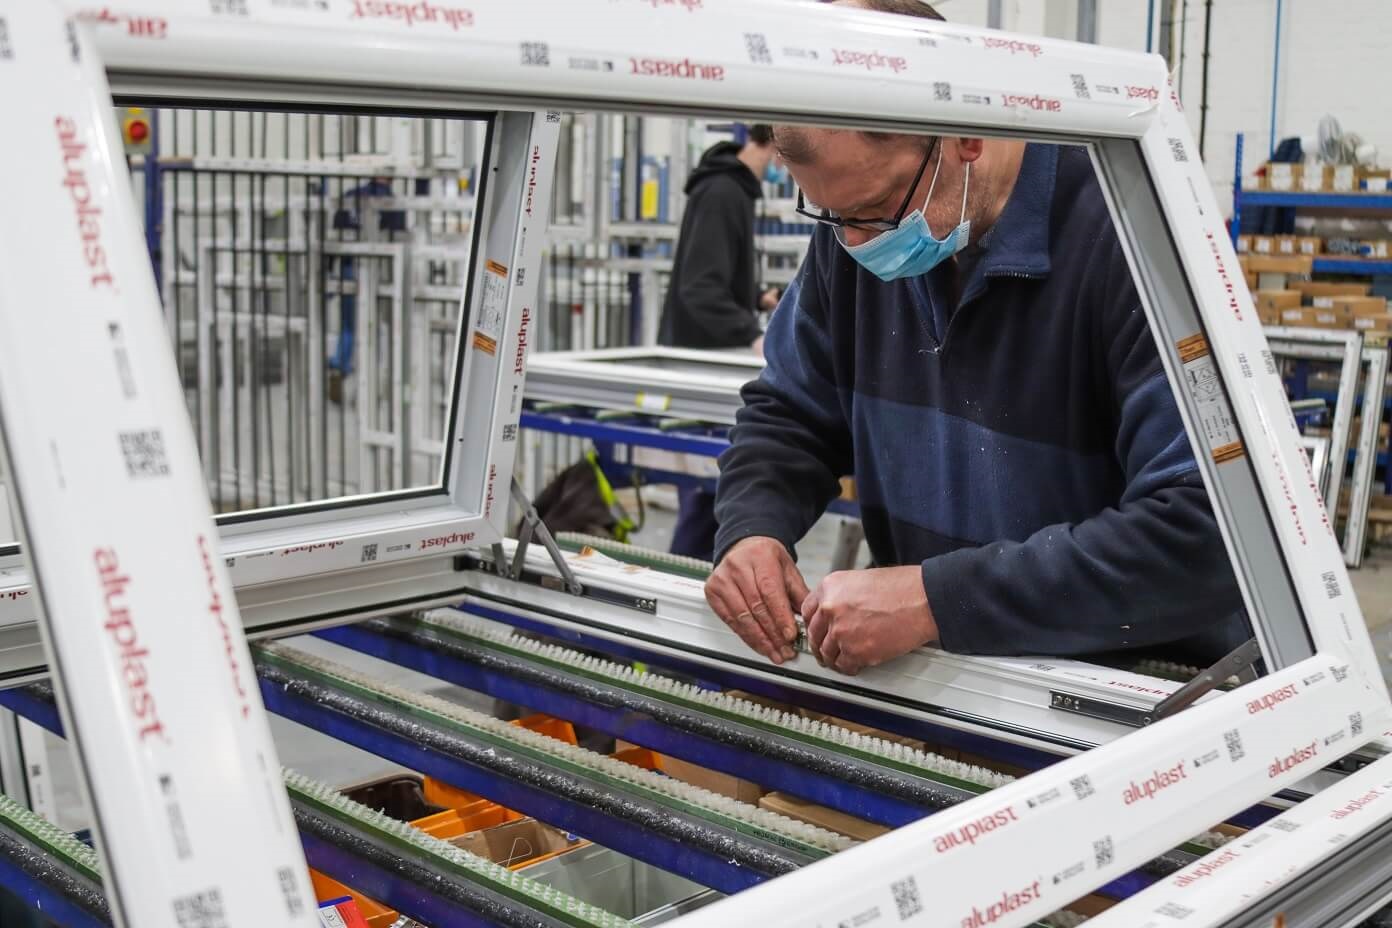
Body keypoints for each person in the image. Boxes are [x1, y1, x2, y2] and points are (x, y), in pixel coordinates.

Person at [704, 0, 1247, 675]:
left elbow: (1209, 532)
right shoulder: (853, 235)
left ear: (966, 136)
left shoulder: (1138, 240)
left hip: (1134, 697)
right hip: (948, 680)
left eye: (874, 212)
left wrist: (937, 599)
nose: (854, 245)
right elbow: (791, 414)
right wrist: (753, 527)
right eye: (832, 215)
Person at [658, 125, 783, 561]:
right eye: (781, 156)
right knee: (706, 491)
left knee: (711, 493)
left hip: (704, 357)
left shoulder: (728, 187)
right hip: (700, 364)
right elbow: (700, 290)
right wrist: (752, 334)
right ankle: (684, 581)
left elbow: (714, 275)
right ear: (769, 142)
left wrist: (757, 297)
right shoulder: (723, 192)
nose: (782, 168)